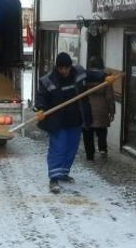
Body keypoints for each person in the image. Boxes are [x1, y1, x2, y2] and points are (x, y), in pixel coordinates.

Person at [35, 52, 110, 193]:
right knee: (58, 147)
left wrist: (105, 77)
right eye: (61, 68)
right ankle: (54, 177)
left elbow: (91, 75)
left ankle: (63, 173)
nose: (64, 71)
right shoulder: (48, 80)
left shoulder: (79, 72)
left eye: (66, 68)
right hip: (58, 120)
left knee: (71, 147)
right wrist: (40, 109)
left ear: (70, 66)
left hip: (75, 118)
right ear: (56, 67)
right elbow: (42, 97)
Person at [80, 56, 115, 161]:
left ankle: (90, 155)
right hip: (102, 109)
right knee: (102, 130)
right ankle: (103, 149)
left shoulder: (84, 77)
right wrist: (112, 111)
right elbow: (109, 96)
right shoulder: (106, 78)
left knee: (88, 132)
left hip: (87, 108)